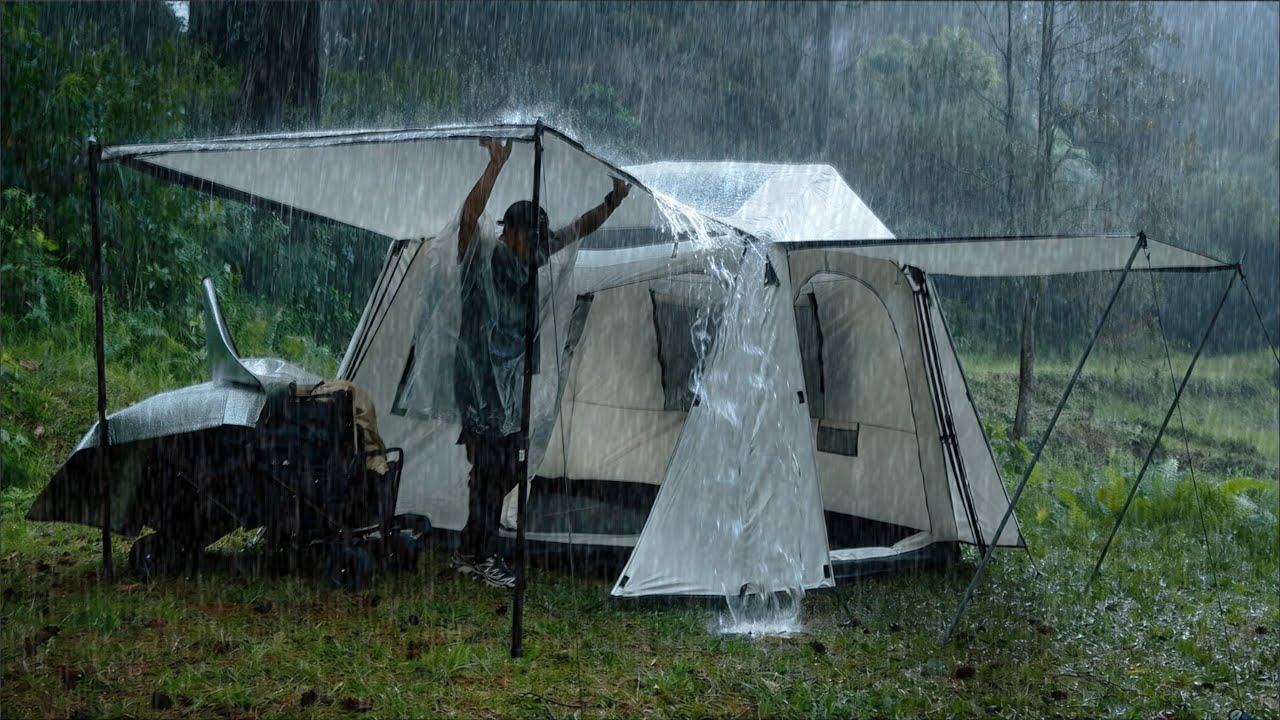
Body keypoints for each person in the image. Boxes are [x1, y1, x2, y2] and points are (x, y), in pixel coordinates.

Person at [449, 136, 630, 588]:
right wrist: (496, 166)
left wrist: (615, 200)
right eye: (529, 237)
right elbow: (468, 218)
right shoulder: (481, 257)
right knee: (491, 468)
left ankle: (473, 549)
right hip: (478, 381)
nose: (537, 246)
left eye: (539, 239)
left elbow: (579, 229)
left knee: (506, 467)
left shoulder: (534, 261)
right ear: (508, 232)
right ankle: (480, 554)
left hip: (510, 384)